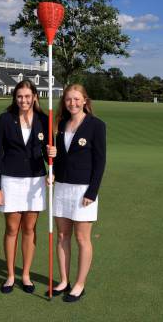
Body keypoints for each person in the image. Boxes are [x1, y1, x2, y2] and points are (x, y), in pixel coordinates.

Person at [0, 80, 56, 294]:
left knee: (29, 229)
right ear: (14, 97)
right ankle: (10, 275)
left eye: (27, 96)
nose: (23, 100)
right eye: (20, 96)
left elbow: (48, 155)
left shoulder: (45, 120)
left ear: (35, 96)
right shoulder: (5, 119)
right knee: (12, 229)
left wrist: (52, 157)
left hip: (35, 181)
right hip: (10, 180)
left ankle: (25, 275)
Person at [50, 84, 106, 302]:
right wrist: (52, 159)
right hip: (62, 187)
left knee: (82, 238)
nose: (72, 103)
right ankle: (64, 280)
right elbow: (59, 159)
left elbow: (100, 162)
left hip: (84, 190)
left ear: (85, 100)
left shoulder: (96, 125)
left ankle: (80, 284)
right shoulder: (60, 124)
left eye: (76, 99)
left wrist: (92, 192)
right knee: (62, 236)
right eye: (68, 100)